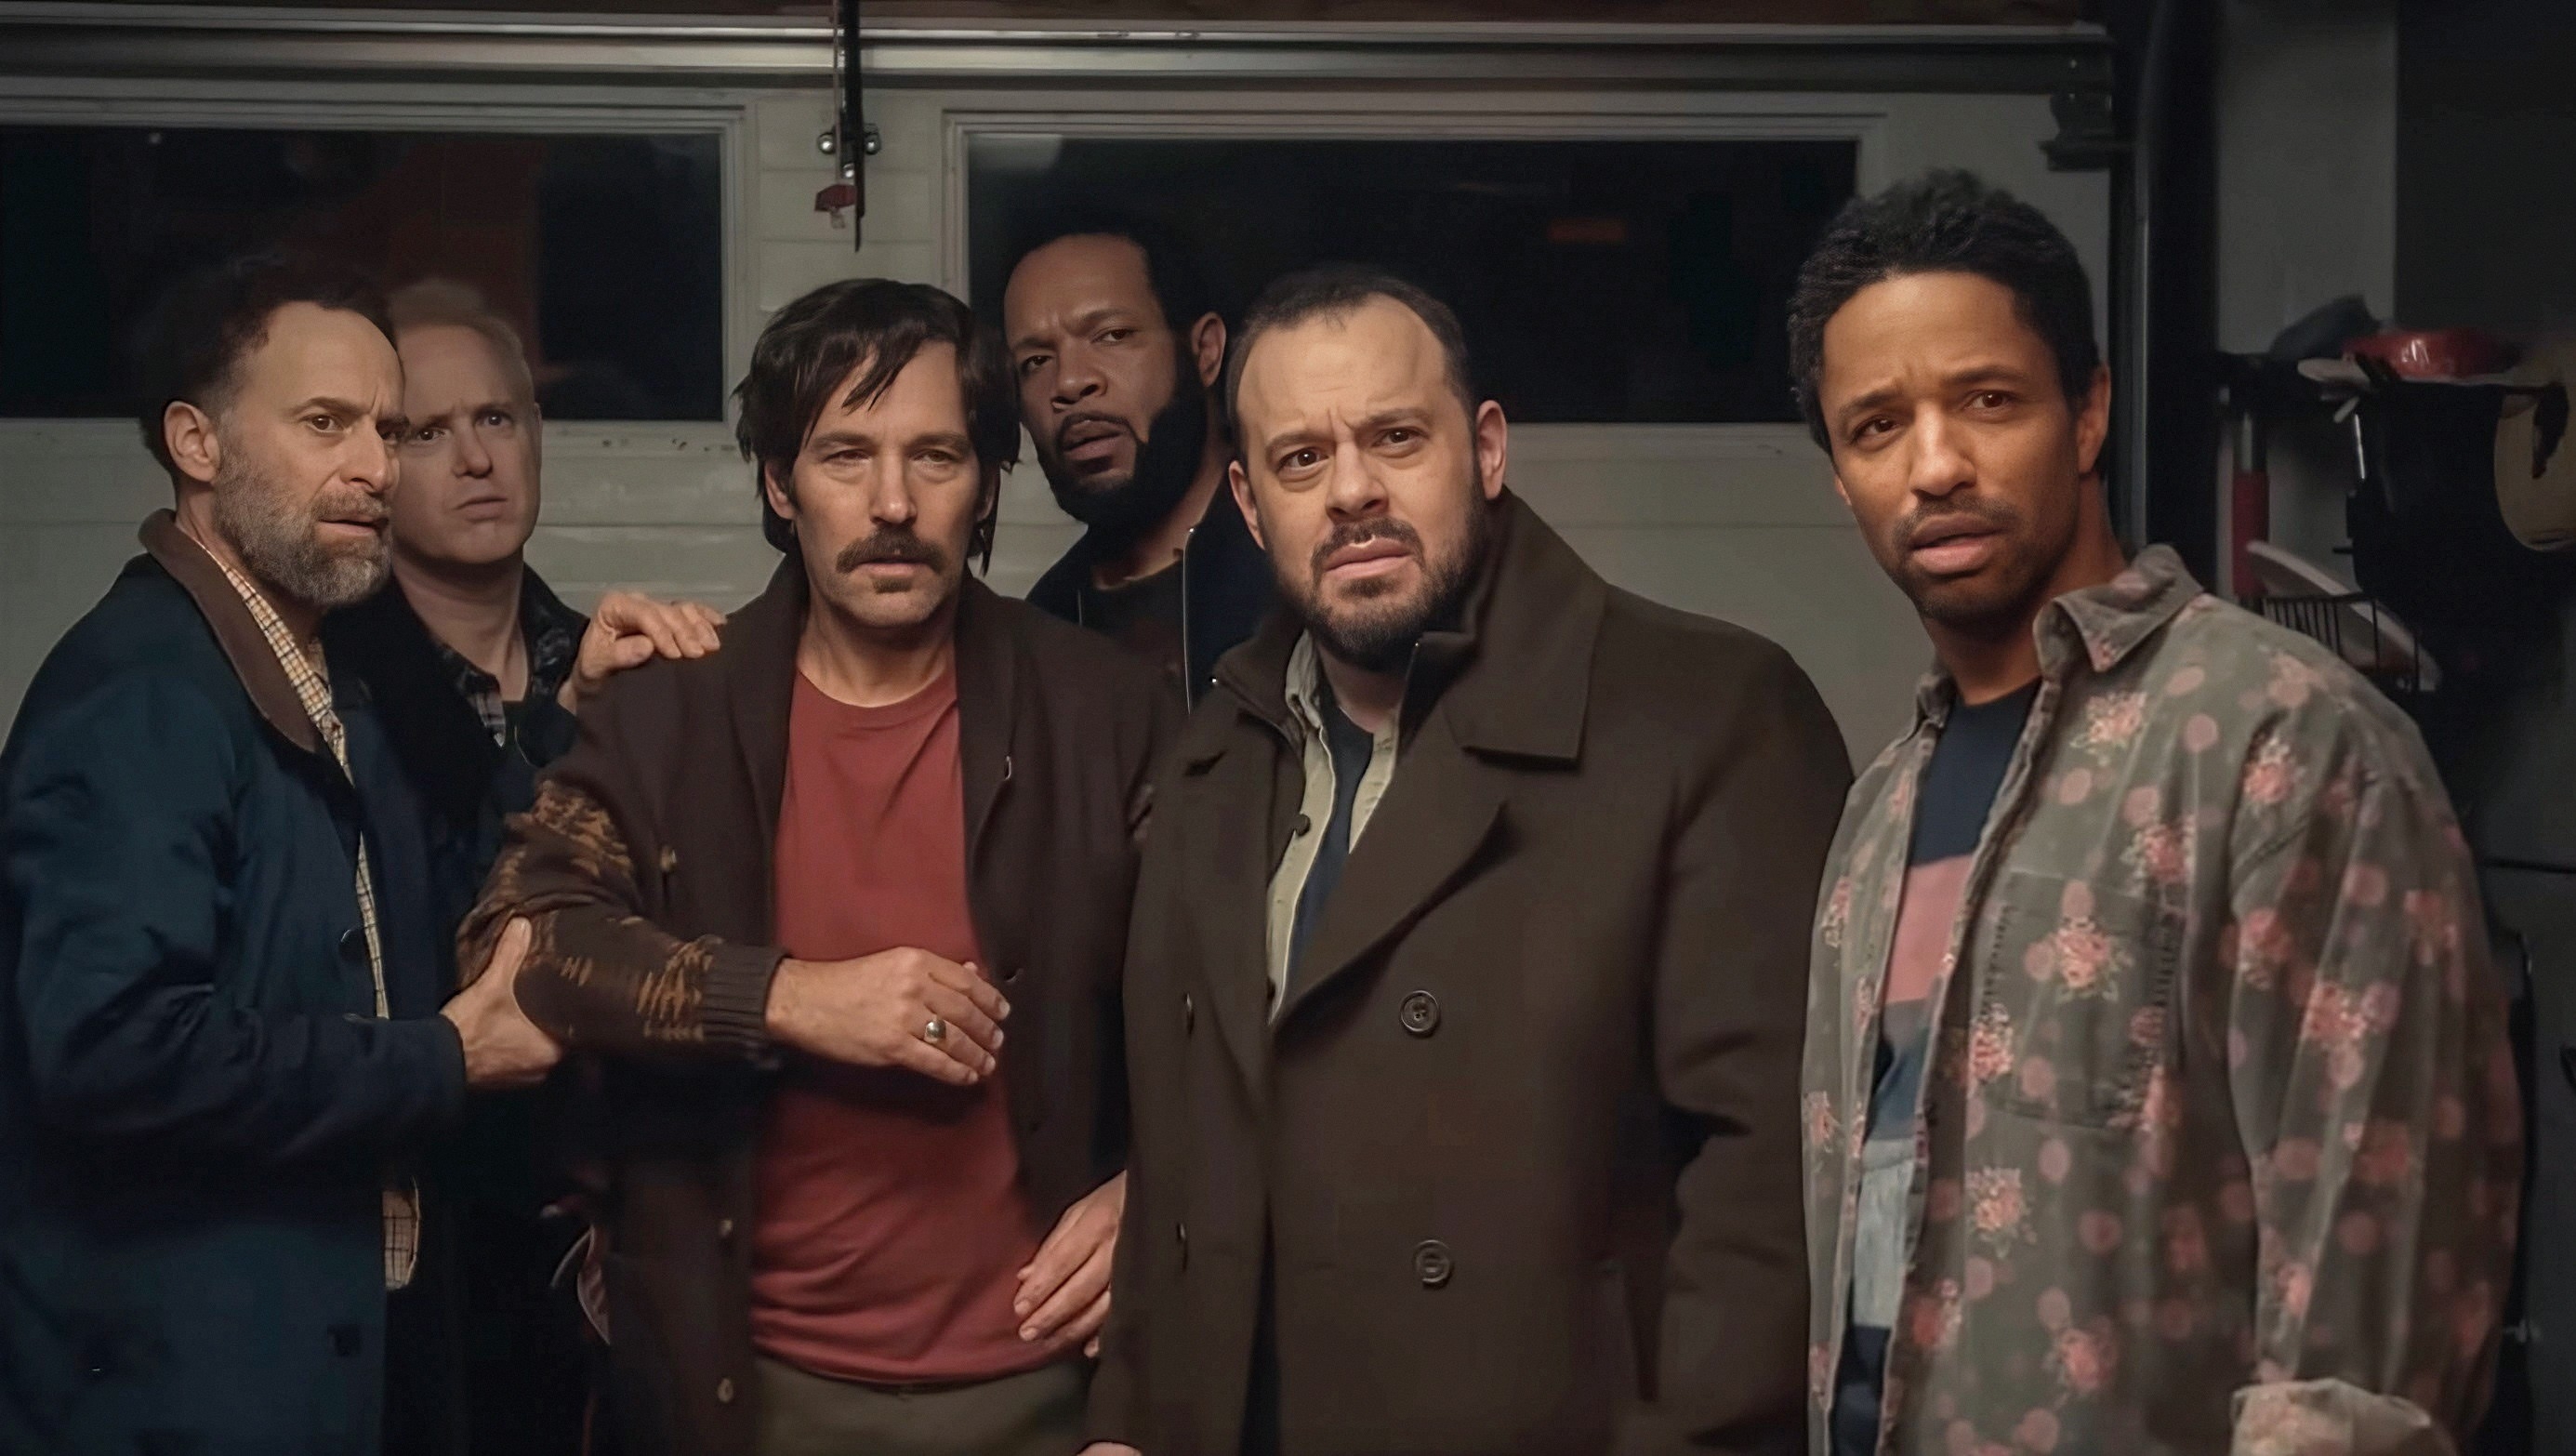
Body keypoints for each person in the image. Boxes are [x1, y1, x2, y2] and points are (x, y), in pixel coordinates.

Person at [1791, 170, 2521, 1456]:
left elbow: (2366, 1335)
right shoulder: (1874, 814)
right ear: (1840, 478)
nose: (1936, 464)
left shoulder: (2283, 743)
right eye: (1875, 426)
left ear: (2087, 412)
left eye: (1987, 400)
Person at [1081, 265, 1853, 1456]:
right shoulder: (1210, 763)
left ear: (1485, 450)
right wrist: (1129, 1421)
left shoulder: (1709, 715)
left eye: (1395, 438)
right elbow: (1179, 1165)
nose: (1350, 492)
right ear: (1245, 501)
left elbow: (1770, 1188)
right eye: (1298, 461)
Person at [457, 278, 1173, 1456]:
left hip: (1050, 1390)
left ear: (988, 480)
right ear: (781, 485)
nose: (892, 503)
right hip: (746, 1393)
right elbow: (525, 945)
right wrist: (794, 997)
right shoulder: (672, 706)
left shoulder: (1105, 712)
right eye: (846, 456)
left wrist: (1156, 1187)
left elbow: (1240, 1002)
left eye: (935, 456)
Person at [0, 253, 560, 1455]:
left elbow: (429, 899)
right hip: (175, 1403)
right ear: (196, 443)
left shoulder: (325, 681)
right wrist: (440, 1058)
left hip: (329, 1373)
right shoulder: (142, 693)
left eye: (386, 427)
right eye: (325, 424)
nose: (374, 467)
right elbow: (108, 1049)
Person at [324, 279, 720, 1456]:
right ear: (376, 468)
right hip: (419, 1231)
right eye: (425, 433)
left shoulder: (612, 657)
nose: (474, 459)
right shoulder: (327, 686)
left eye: (496, 419)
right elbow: (457, 931)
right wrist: (566, 731)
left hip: (609, 1224)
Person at [1004, 209, 1271, 706]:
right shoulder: (1046, 621)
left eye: (1112, 336)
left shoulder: (1305, 573)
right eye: (1035, 361)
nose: (1068, 382)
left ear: (1204, 352)